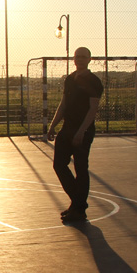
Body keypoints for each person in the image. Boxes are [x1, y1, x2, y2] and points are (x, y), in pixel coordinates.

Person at [46, 47, 103, 223]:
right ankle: (78, 204)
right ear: (74, 59)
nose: (80, 59)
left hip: (83, 130)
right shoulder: (70, 79)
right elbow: (63, 104)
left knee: (80, 168)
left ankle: (78, 209)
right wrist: (53, 125)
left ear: (90, 59)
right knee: (59, 165)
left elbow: (93, 109)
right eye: (77, 56)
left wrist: (81, 132)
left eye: (83, 57)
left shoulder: (93, 81)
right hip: (67, 128)